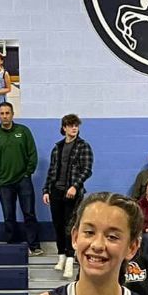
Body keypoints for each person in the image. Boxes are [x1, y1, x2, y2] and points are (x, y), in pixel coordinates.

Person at [0, 102, 41, 254]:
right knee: (9, 215)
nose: (5, 116)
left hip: (23, 180)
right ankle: (13, 245)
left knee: (29, 213)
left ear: (12, 114)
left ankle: (34, 246)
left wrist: (28, 173)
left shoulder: (23, 132)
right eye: (2, 113)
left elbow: (33, 155)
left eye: (7, 113)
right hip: (4, 183)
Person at [44, 114, 94, 278]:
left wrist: (74, 186)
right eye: (71, 125)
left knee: (70, 226)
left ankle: (70, 260)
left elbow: (87, 170)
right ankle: (61, 257)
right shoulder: (57, 148)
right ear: (64, 128)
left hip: (73, 192)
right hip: (55, 191)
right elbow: (51, 171)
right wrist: (46, 190)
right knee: (58, 225)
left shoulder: (83, 146)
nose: (74, 128)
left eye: (76, 125)